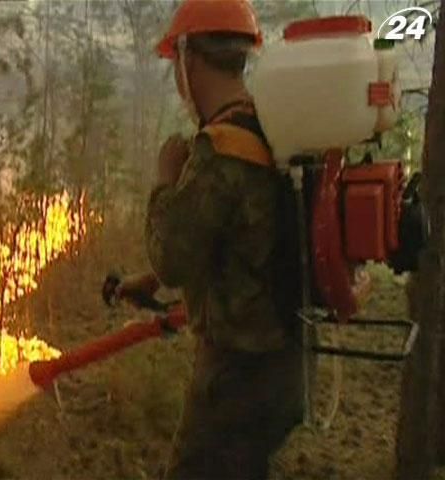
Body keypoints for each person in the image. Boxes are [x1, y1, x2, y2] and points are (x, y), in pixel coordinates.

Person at [144, 0, 305, 478]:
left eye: (176, 62)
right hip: (283, 363)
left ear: (189, 58)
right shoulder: (267, 126)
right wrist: (147, 281)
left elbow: (172, 258)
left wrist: (164, 183)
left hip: (239, 375)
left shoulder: (221, 149)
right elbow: (240, 242)